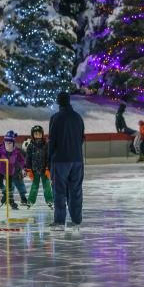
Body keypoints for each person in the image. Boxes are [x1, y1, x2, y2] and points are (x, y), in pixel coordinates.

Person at [48, 92, 85, 231]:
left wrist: (49, 159)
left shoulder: (56, 118)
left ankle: (59, 220)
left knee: (59, 191)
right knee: (75, 190)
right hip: (77, 160)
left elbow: (52, 141)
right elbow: (82, 138)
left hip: (60, 160)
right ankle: (76, 219)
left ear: (58, 102)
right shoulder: (78, 118)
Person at [0, 130, 28, 210]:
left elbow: (22, 161)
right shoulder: (1, 150)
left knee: (10, 187)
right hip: (1, 171)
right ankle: (6, 194)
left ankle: (11, 202)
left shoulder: (16, 152)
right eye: (6, 142)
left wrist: (23, 169)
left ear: (13, 143)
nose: (8, 144)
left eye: (10, 143)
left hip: (10, 172)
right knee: (0, 184)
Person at [23, 125, 53, 209]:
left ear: (42, 134)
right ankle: (31, 201)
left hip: (44, 170)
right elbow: (28, 159)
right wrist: (28, 169)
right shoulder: (30, 146)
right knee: (34, 186)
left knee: (47, 186)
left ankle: (50, 200)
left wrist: (48, 168)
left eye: (39, 133)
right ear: (33, 135)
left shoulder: (46, 145)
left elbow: (48, 157)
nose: (38, 135)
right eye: (36, 133)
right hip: (34, 170)